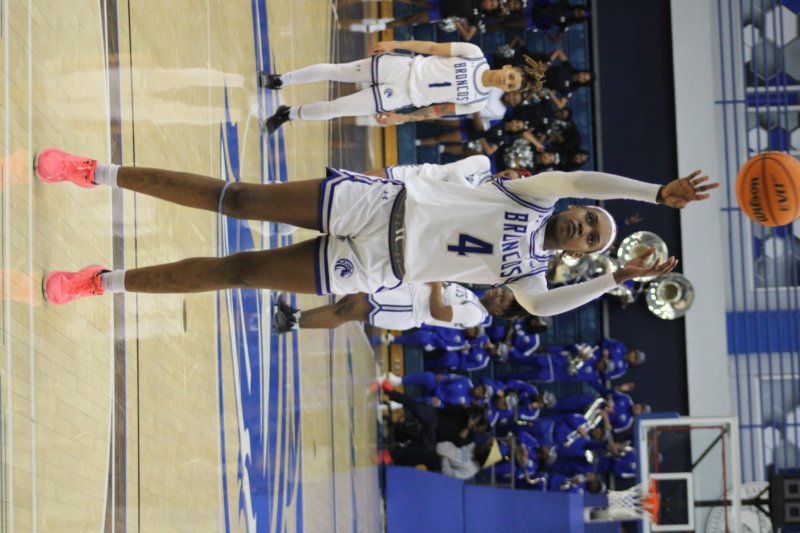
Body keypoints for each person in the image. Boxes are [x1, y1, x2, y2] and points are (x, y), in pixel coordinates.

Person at [37, 147, 717, 317]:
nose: (586, 224)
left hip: (376, 269)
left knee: (238, 272)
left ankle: (100, 282)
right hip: (376, 208)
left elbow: (544, 307)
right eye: (591, 215)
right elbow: (581, 176)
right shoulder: (533, 194)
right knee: (238, 198)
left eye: (591, 236)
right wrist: (652, 193)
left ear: (578, 253)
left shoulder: (529, 277)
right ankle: (93, 171)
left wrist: (614, 276)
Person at [258, 40, 547, 134]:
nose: (506, 82)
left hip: (403, 95)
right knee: (338, 71)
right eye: (511, 77)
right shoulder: (473, 53)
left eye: (511, 86)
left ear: (508, 92)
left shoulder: (478, 102)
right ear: (507, 68)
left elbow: (439, 111)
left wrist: (402, 117)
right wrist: (394, 44)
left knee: (336, 109)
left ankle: (288, 113)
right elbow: (431, 47)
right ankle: (282, 80)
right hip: (402, 67)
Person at [272, 283, 523, 334]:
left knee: (347, 312)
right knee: (346, 302)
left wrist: (436, 281)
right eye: (503, 291)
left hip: (407, 309)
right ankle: (295, 316)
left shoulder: (475, 314)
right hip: (406, 294)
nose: (498, 292)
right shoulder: (473, 297)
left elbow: (438, 312)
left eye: (502, 299)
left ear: (499, 312)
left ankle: (291, 324)